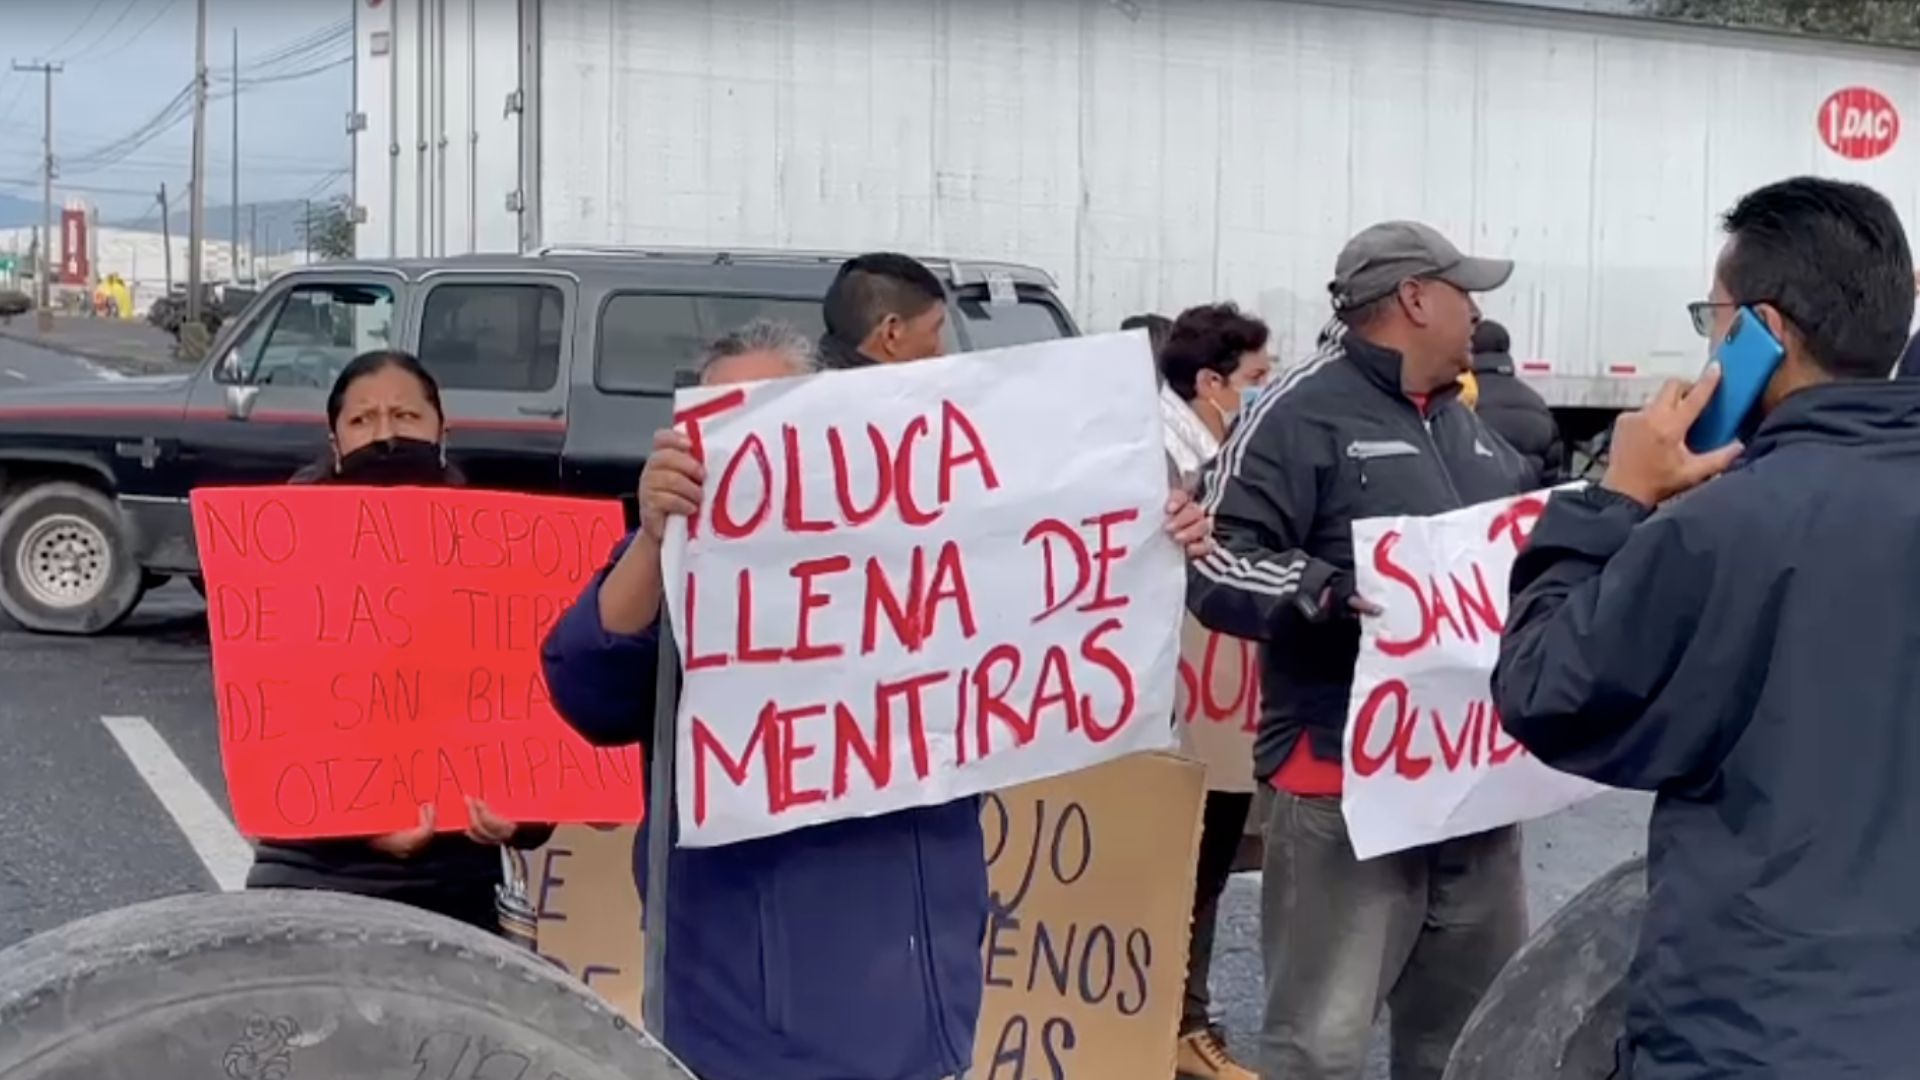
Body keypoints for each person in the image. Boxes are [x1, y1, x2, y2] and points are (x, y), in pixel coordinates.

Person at [544, 306, 1217, 1080]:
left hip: (924, 986)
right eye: (717, 423)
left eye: (773, 416)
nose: (746, 445)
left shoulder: (929, 544)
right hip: (748, 1010)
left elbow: (1056, 608)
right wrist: (656, 540)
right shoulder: (680, 559)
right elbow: (585, 688)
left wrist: (1149, 540)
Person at [1495, 177, 1920, 1078]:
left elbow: (1545, 688)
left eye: (1715, 319)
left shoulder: (1722, 529)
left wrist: (1612, 499)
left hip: (1754, 1030)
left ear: (1765, 333)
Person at [1186, 221, 1531, 1080]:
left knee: (1468, 1038)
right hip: (1343, 782)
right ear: (1415, 298)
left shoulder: (1468, 430)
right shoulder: (1299, 412)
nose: (1476, 313)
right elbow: (1217, 560)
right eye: (1465, 292)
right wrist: (1327, 593)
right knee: (1319, 1046)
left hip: (1473, 787)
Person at [248, 349, 551, 931]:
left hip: (458, 881)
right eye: (363, 420)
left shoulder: (504, 562)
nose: (386, 435)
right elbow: (266, 736)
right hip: (310, 874)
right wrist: (360, 825)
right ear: (334, 442)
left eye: (406, 416)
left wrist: (520, 820)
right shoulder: (275, 561)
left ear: (442, 431)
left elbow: (536, 727)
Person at [1155, 302, 1272, 1080]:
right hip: (1188, 705)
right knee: (1184, 870)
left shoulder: (1222, 447)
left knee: (1204, 866)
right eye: (1257, 378)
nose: (1267, 391)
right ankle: (1175, 1023)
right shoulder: (1165, 458)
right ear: (1210, 381)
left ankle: (1178, 1018)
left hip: (1221, 700)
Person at [1469, 319, 1565, 485]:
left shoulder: (1459, 403)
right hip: (1523, 507)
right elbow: (1550, 476)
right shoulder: (1537, 404)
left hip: (1477, 507)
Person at [817, 252, 949, 368]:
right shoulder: (891, 395)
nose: (941, 352)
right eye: (935, 329)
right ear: (891, 333)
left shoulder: (806, 387)